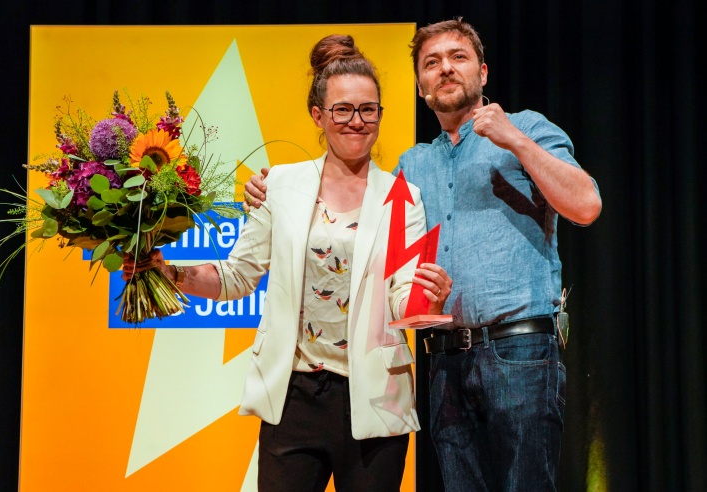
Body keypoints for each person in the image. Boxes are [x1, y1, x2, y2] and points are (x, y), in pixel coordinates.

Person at [244, 18, 602, 492]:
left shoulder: (528, 128)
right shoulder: (413, 166)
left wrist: (513, 138)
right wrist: (268, 191)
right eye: (431, 63)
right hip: (445, 360)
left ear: (484, 72)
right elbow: (352, 206)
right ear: (420, 85)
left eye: (458, 57)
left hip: (520, 352)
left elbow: (587, 205)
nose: (445, 69)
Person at [124, 34, 451, 492]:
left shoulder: (403, 198)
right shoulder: (278, 185)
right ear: (318, 115)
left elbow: (400, 299)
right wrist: (169, 272)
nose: (356, 122)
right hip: (293, 400)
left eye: (368, 109)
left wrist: (423, 297)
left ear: (379, 114)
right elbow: (237, 277)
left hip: (376, 399)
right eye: (342, 109)